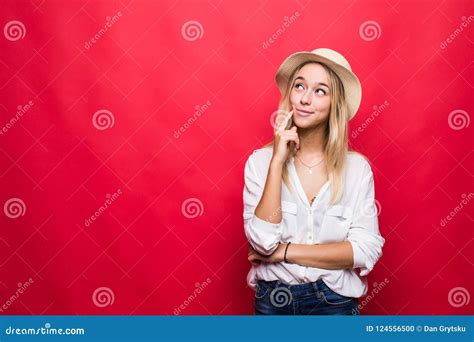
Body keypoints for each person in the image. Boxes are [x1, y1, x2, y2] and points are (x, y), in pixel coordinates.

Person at [243, 48, 385, 315]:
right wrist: (276, 163)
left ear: (335, 104)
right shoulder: (260, 163)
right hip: (273, 302)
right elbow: (262, 242)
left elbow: (365, 250)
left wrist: (284, 252)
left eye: (320, 91)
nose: (305, 99)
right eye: (300, 86)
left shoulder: (357, 169)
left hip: (335, 304)